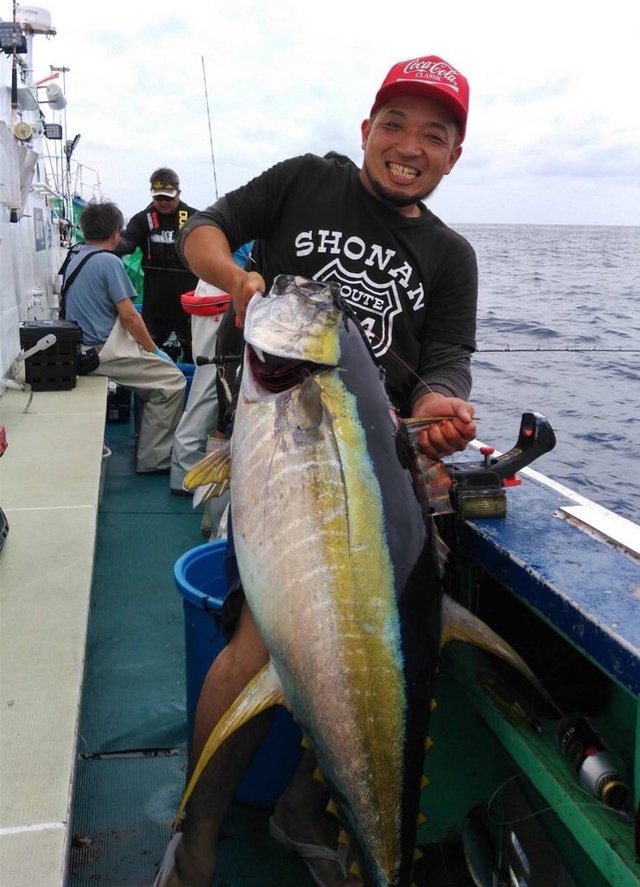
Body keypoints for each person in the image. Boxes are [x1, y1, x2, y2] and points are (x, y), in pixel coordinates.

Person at [155, 54, 477, 887]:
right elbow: (203, 230)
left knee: (398, 639)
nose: (410, 146)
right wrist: (237, 280)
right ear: (366, 130)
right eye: (395, 125)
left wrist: (442, 407)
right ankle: (196, 837)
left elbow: (445, 364)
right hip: (281, 457)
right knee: (261, 642)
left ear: (454, 154)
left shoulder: (451, 256)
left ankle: (308, 809)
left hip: (384, 481)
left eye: (433, 135)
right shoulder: (307, 180)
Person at [63, 200, 186, 474]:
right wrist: (154, 349)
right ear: (116, 232)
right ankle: (154, 459)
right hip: (101, 352)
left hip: (80, 347)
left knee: (153, 382)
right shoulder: (108, 261)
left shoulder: (75, 254)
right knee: (172, 381)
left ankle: (147, 442)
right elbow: (130, 317)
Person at [114, 168, 199, 363]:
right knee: (147, 356)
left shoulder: (194, 218)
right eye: (158, 198)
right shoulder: (142, 220)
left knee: (195, 354)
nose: (163, 203)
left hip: (188, 306)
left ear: (178, 193)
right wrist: (105, 249)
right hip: (156, 305)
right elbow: (126, 244)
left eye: (168, 198)